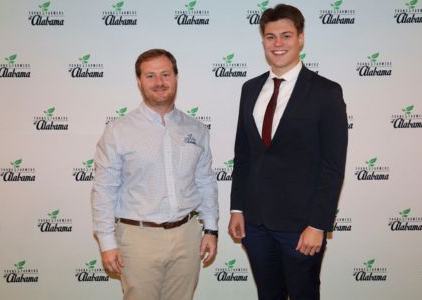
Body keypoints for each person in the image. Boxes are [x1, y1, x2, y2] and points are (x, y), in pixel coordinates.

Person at [228, 4, 348, 300]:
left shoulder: (326, 92)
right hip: (255, 226)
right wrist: (237, 208)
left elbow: (333, 166)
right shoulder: (250, 88)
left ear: (301, 38)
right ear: (263, 42)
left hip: (301, 226)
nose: (278, 44)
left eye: (286, 35)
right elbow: (243, 156)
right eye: (270, 37)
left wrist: (318, 225)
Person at [91, 49, 219, 300]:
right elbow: (104, 189)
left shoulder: (197, 129)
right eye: (150, 76)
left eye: (165, 74)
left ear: (176, 77)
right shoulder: (118, 131)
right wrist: (107, 243)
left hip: (187, 236)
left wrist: (211, 230)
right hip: (137, 239)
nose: (159, 82)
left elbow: (205, 181)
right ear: (139, 81)